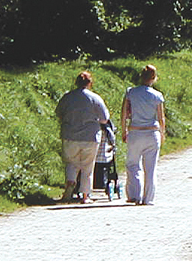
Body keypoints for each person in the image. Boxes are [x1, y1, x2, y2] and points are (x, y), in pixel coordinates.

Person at [55, 72, 109, 203]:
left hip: (70, 135)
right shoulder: (95, 98)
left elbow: (59, 113)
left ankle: (69, 187)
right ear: (90, 83)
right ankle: (85, 195)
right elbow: (105, 118)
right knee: (87, 167)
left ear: (76, 82)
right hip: (90, 137)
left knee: (71, 163)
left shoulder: (67, 97)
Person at [121, 64, 166, 205]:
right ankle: (148, 198)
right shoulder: (157, 96)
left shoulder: (131, 92)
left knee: (133, 164)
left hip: (135, 132)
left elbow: (124, 113)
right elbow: (161, 117)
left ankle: (134, 195)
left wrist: (124, 130)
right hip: (152, 132)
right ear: (153, 78)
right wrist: (162, 133)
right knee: (150, 168)